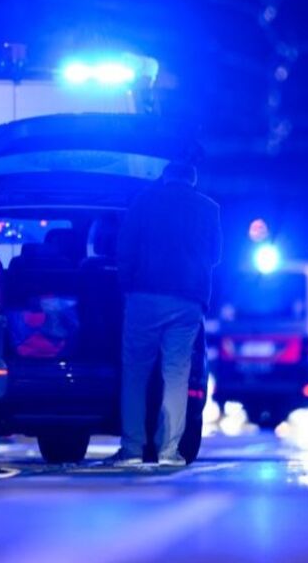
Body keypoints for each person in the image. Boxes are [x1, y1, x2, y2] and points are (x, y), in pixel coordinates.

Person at [111, 162, 221, 467]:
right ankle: (169, 451)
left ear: (165, 177)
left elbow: (125, 248)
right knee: (176, 374)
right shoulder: (209, 209)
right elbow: (214, 255)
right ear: (193, 178)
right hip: (188, 301)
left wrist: (127, 286)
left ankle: (133, 449)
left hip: (145, 296)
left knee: (135, 372)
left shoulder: (144, 201)